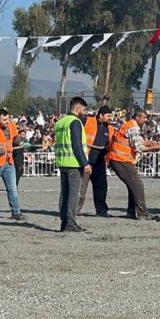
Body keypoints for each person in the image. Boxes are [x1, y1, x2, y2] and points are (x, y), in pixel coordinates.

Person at [108, 110, 153, 220]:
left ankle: (131, 211)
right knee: (137, 185)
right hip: (121, 159)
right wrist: (154, 148)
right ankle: (143, 213)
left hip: (118, 159)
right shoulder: (133, 127)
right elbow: (138, 147)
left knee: (132, 186)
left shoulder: (129, 125)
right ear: (137, 117)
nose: (146, 120)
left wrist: (149, 143)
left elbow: (136, 142)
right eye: (144, 117)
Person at [55, 97, 91, 232]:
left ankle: (64, 222)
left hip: (62, 162)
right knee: (73, 195)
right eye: (84, 109)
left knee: (64, 193)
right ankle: (71, 222)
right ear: (77, 109)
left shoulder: (60, 122)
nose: (85, 112)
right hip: (74, 164)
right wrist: (85, 163)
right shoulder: (75, 122)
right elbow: (77, 145)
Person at [79, 106, 114, 216]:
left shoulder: (110, 128)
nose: (110, 118)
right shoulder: (86, 121)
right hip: (86, 161)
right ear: (101, 115)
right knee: (81, 188)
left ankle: (101, 210)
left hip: (100, 162)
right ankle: (73, 210)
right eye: (108, 116)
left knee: (101, 186)